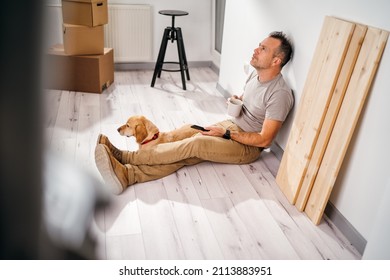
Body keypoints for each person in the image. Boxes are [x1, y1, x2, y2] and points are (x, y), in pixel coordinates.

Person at [95, 31, 294, 195]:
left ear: (276, 60)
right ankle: (126, 176)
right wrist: (239, 100)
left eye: (263, 49)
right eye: (259, 45)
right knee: (190, 132)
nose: (255, 50)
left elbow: (264, 141)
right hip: (232, 126)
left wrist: (225, 134)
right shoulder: (255, 74)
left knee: (196, 144)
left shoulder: (280, 94)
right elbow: (251, 100)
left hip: (247, 148)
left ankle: (126, 158)